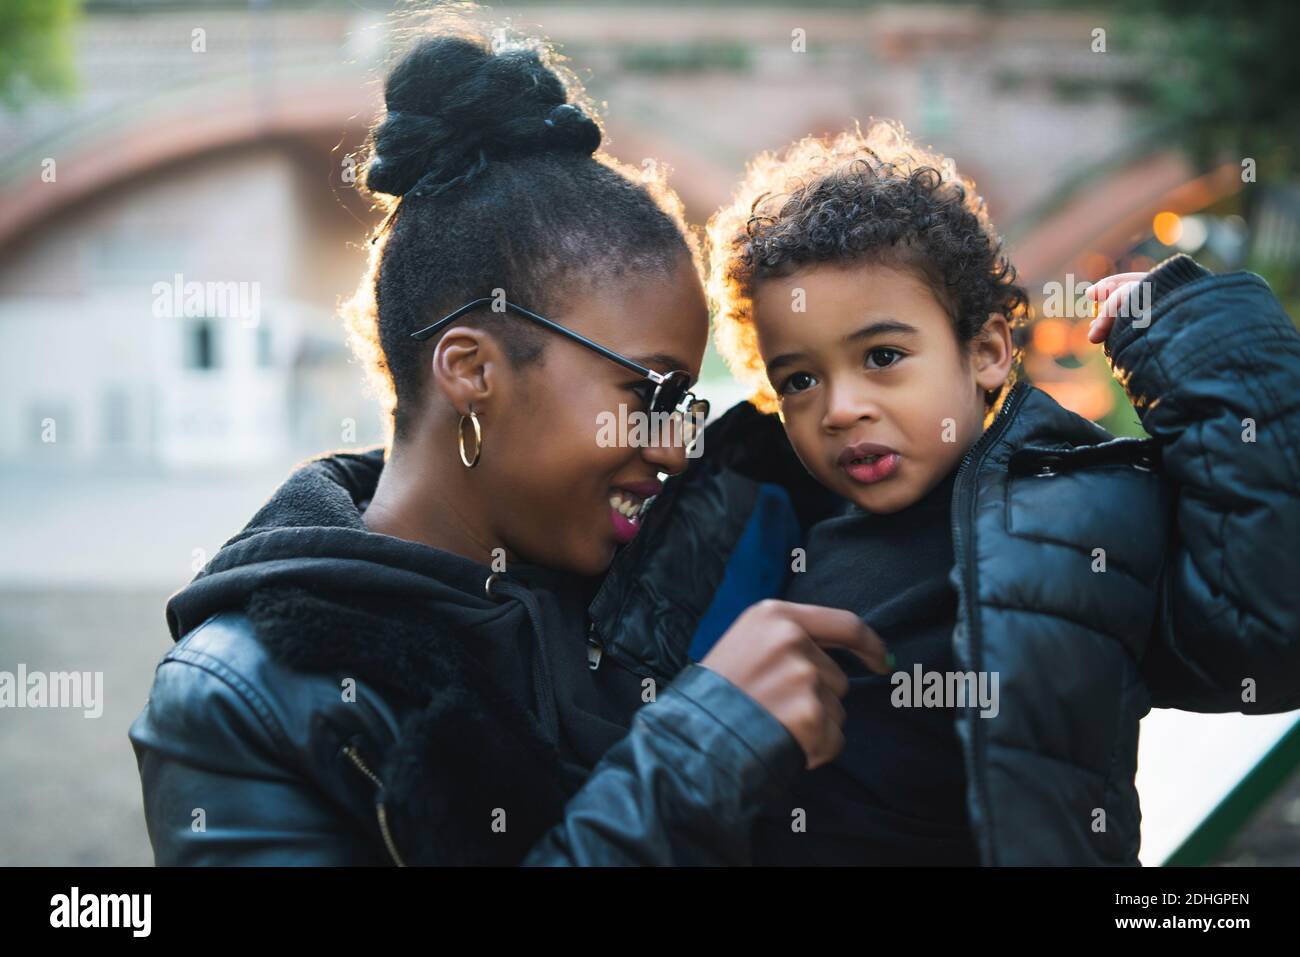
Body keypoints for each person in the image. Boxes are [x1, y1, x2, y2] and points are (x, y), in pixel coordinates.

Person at [127, 27, 888, 866]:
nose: (676, 449)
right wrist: (693, 755)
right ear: (472, 369)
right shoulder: (239, 699)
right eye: (651, 392)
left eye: (689, 401)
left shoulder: (671, 582)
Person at [615, 117, 1300, 865]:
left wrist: (1203, 337)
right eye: (800, 380)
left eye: (882, 355)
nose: (840, 408)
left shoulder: (1081, 513)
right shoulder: (752, 521)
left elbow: (1270, 636)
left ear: (987, 352)